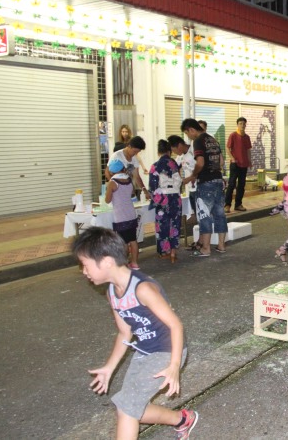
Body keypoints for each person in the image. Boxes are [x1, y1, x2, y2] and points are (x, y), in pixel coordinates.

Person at [71, 227, 198, 439]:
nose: (84, 271)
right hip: (146, 351)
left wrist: (174, 366)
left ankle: (183, 419)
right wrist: (109, 368)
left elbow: (176, 325)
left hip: (168, 350)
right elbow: (124, 333)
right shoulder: (112, 291)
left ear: (107, 261)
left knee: (128, 406)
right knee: (128, 406)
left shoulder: (142, 289)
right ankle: (183, 419)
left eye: (85, 265)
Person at [180, 118, 228, 256]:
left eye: (187, 133)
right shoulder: (212, 140)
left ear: (191, 129)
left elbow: (200, 163)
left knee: (204, 214)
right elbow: (221, 161)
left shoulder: (198, 141)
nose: (188, 137)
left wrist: (193, 175)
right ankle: (221, 245)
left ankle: (206, 248)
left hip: (206, 182)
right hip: (218, 180)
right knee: (220, 214)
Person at [149, 140, 182, 263]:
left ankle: (165, 251)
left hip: (162, 197)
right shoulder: (174, 164)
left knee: (162, 225)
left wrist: (155, 199)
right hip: (175, 197)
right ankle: (173, 252)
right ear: (169, 151)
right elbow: (179, 181)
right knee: (175, 224)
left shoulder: (155, 166)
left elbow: (152, 186)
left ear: (158, 152)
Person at [105, 159, 140, 270]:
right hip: (131, 213)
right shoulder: (129, 180)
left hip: (120, 216)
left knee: (123, 242)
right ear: (122, 168)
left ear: (111, 171)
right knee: (133, 240)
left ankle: (124, 264)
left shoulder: (112, 182)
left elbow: (107, 200)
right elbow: (131, 194)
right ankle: (134, 263)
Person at [106, 136, 150, 200]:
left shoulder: (134, 159)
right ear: (129, 146)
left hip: (127, 188)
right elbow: (107, 172)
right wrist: (114, 185)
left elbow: (136, 176)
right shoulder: (117, 156)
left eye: (137, 152)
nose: (135, 153)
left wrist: (144, 190)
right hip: (116, 190)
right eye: (134, 151)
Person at [225, 117, 252, 213]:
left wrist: (250, 161)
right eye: (240, 123)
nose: (242, 125)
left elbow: (248, 150)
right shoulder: (233, 135)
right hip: (234, 164)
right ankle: (227, 205)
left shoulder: (247, 137)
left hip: (244, 165)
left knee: (241, 185)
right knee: (231, 184)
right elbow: (227, 148)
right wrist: (232, 158)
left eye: (244, 124)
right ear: (237, 124)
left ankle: (238, 204)